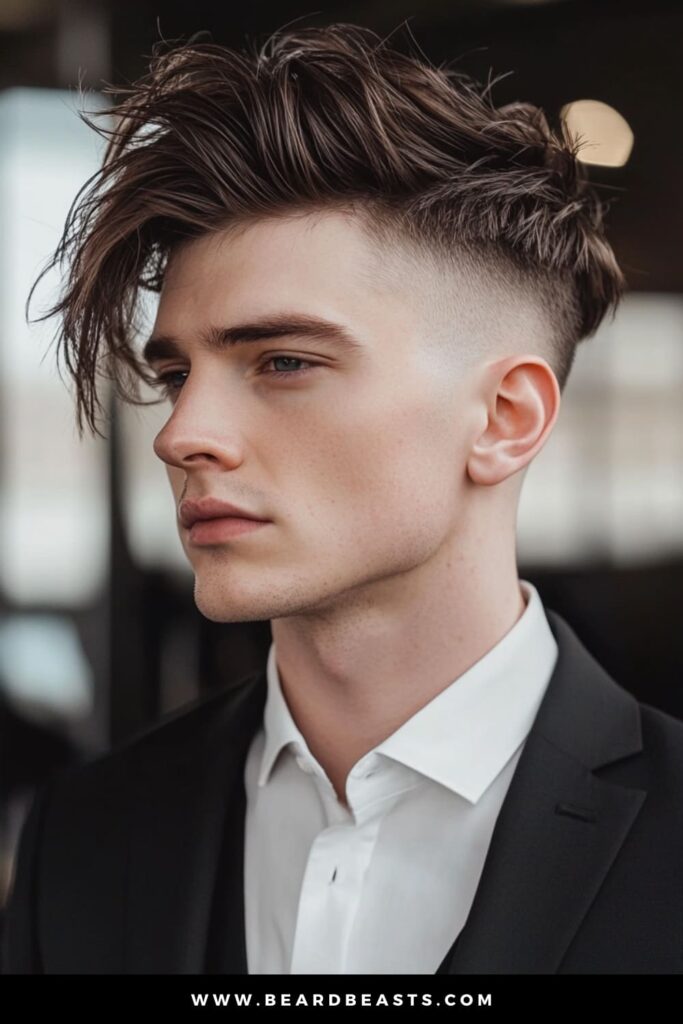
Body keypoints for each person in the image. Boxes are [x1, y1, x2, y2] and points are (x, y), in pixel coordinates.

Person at [3, 22, 683, 975]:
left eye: (283, 361)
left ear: (503, 418)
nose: (181, 432)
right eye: (174, 374)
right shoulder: (86, 837)